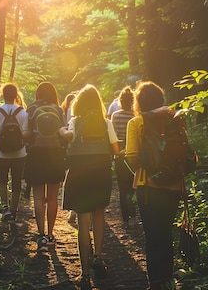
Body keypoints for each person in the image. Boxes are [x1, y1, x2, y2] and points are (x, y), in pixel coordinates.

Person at [125, 81, 183, 290]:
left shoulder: (136, 123)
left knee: (152, 235)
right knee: (166, 233)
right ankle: (168, 280)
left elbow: (131, 155)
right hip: (174, 186)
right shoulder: (175, 117)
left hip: (147, 186)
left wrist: (147, 168)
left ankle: (155, 282)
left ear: (139, 102)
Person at [59, 84, 120, 284]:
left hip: (79, 174)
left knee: (83, 222)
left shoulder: (75, 121)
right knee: (99, 215)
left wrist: (61, 132)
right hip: (101, 174)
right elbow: (116, 150)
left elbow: (69, 138)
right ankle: (98, 257)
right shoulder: (105, 122)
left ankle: (85, 272)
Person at [24, 82, 67, 251]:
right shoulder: (58, 110)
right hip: (55, 155)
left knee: (39, 197)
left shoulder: (32, 109)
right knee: (53, 197)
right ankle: (50, 234)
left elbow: (27, 133)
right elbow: (63, 132)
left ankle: (41, 235)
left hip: (37, 155)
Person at [0, 83, 29, 221]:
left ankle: (5, 208)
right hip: (20, 153)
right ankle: (13, 212)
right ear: (16, 95)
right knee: (17, 181)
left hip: (2, 153)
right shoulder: (22, 112)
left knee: (2, 180)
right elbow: (26, 134)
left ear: (2, 94)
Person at [110, 86, 136, 228]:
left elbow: (113, 136)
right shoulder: (136, 116)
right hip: (133, 153)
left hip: (119, 154)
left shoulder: (116, 115)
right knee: (134, 182)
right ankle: (131, 198)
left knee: (122, 186)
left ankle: (125, 219)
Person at [61, 92, 78, 223]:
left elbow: (68, 131)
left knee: (72, 179)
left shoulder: (66, 111)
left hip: (72, 149)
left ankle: (73, 210)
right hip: (91, 153)